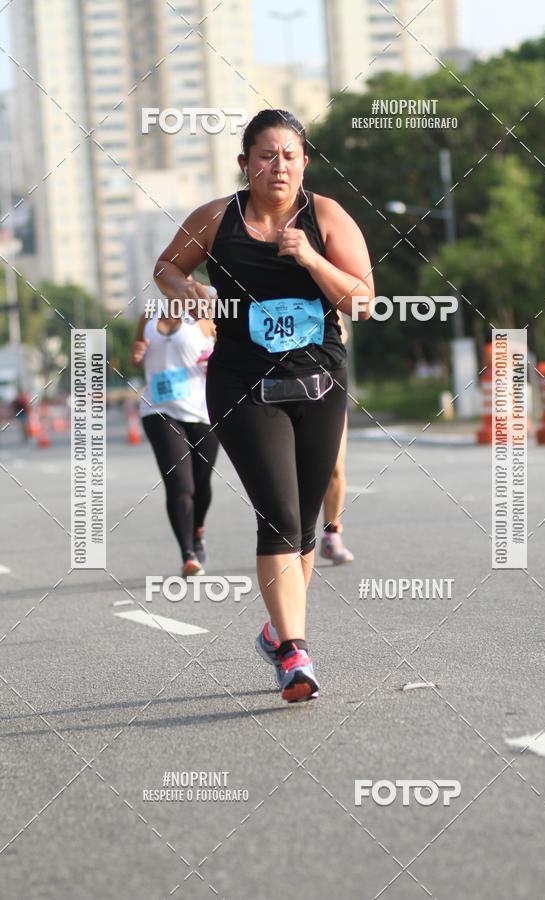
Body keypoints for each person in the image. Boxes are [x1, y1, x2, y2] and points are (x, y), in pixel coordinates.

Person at [154, 108, 373, 703]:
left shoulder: (326, 217)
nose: (279, 166)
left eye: (290, 156)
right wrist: (187, 288)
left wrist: (311, 259)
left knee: (304, 524)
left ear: (304, 163)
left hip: (319, 384)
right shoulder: (216, 219)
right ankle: (295, 654)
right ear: (244, 163)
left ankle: (278, 631)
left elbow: (363, 301)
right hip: (243, 386)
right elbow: (166, 266)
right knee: (277, 516)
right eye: (267, 155)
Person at [130, 300, 218, 577]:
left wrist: (215, 363)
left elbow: (227, 355)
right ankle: (188, 554)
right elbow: (136, 355)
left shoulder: (206, 317)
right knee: (180, 484)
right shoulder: (148, 316)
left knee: (201, 485)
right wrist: (136, 354)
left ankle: (197, 529)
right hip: (159, 410)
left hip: (203, 412)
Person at [320, 313, 354, 564]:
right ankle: (292, 537)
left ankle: (332, 535)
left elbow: (343, 332)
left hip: (327, 387)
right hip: (284, 388)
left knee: (335, 467)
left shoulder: (323, 296)